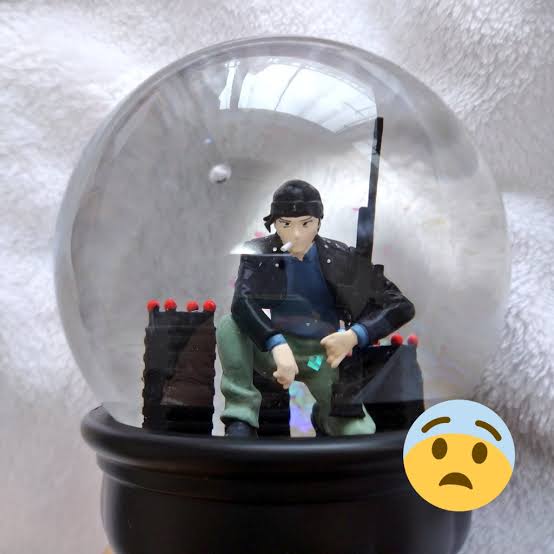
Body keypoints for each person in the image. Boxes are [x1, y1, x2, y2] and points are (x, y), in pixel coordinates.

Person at [217, 179, 415, 437]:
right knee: (230, 326)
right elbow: (242, 302)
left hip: (323, 356)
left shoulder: (341, 256)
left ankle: (326, 417)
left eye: (306, 223)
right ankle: (240, 414)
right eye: (285, 224)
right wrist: (275, 343)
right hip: (275, 353)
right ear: (274, 223)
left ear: (319, 222)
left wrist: (354, 335)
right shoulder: (260, 253)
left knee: (357, 432)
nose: (296, 234)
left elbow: (400, 305)